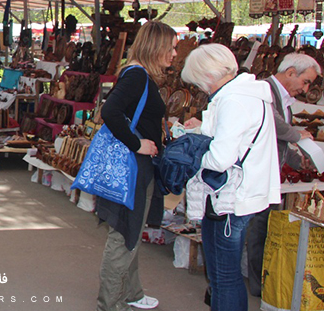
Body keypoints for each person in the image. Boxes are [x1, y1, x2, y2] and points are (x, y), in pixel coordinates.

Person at [181, 44, 279, 311]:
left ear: (207, 75)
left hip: (229, 200)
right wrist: (204, 128)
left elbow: (221, 158)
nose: (201, 88)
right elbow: (238, 138)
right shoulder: (247, 94)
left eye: (199, 82)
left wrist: (192, 157)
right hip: (238, 195)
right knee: (226, 275)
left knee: (223, 277)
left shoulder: (233, 100)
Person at [95, 20, 177, 311]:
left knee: (129, 233)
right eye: (171, 47)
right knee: (122, 237)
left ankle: (132, 293)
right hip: (133, 168)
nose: (174, 54)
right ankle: (110, 304)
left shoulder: (139, 75)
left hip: (137, 168)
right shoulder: (137, 76)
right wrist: (136, 143)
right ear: (156, 47)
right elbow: (110, 111)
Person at [246, 53, 320, 296]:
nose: (306, 88)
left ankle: (258, 282)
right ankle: (255, 286)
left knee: (263, 231)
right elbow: (273, 124)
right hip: (257, 176)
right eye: (306, 81)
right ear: (290, 73)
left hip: (268, 176)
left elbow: (280, 143)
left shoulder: (283, 98)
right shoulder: (264, 89)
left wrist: (302, 163)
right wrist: (298, 135)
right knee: (257, 232)